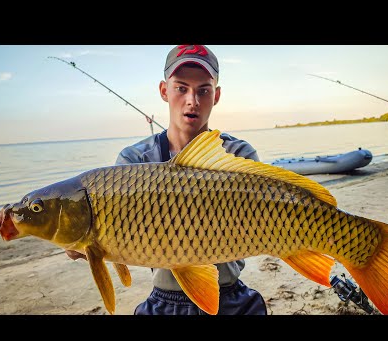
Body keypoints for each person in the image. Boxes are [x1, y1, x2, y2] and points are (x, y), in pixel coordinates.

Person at [66, 45, 267, 315]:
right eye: (181, 88)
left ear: (216, 95)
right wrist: (83, 242)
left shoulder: (238, 155)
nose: (192, 100)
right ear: (164, 91)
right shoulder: (133, 161)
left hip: (230, 295)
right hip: (164, 299)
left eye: (203, 90)